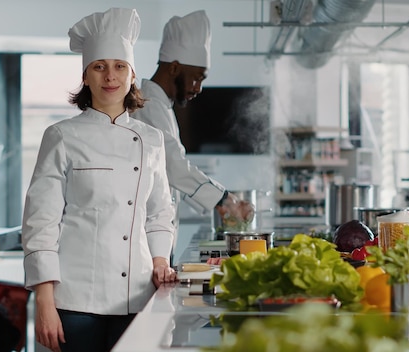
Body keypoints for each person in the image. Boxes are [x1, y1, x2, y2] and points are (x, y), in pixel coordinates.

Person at [21, 8, 177, 352]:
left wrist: (161, 261)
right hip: (76, 301)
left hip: (137, 295)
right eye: (99, 66)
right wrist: (44, 303)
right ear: (86, 77)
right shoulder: (61, 136)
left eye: (120, 66)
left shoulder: (152, 139)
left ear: (132, 75)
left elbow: (159, 212)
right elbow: (40, 223)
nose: (110, 76)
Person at [131, 10, 254, 244]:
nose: (198, 88)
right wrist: (226, 200)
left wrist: (218, 204)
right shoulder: (148, 104)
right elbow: (174, 166)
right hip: (145, 237)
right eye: (197, 77)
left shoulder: (162, 106)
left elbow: (171, 175)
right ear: (175, 67)